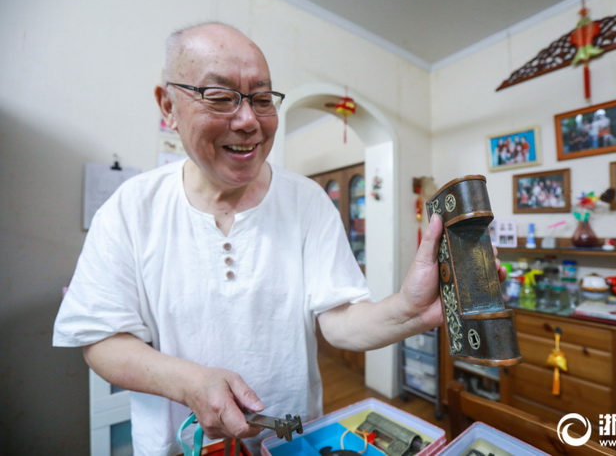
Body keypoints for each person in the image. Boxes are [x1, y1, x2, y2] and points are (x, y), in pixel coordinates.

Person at [53, 23, 505, 455]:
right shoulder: (132, 207)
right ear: (168, 106)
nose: (249, 120)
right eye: (220, 96)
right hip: (178, 445)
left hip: (292, 441)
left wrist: (410, 308)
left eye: (263, 98)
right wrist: (188, 381)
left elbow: (338, 321)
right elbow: (102, 340)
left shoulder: (307, 201)